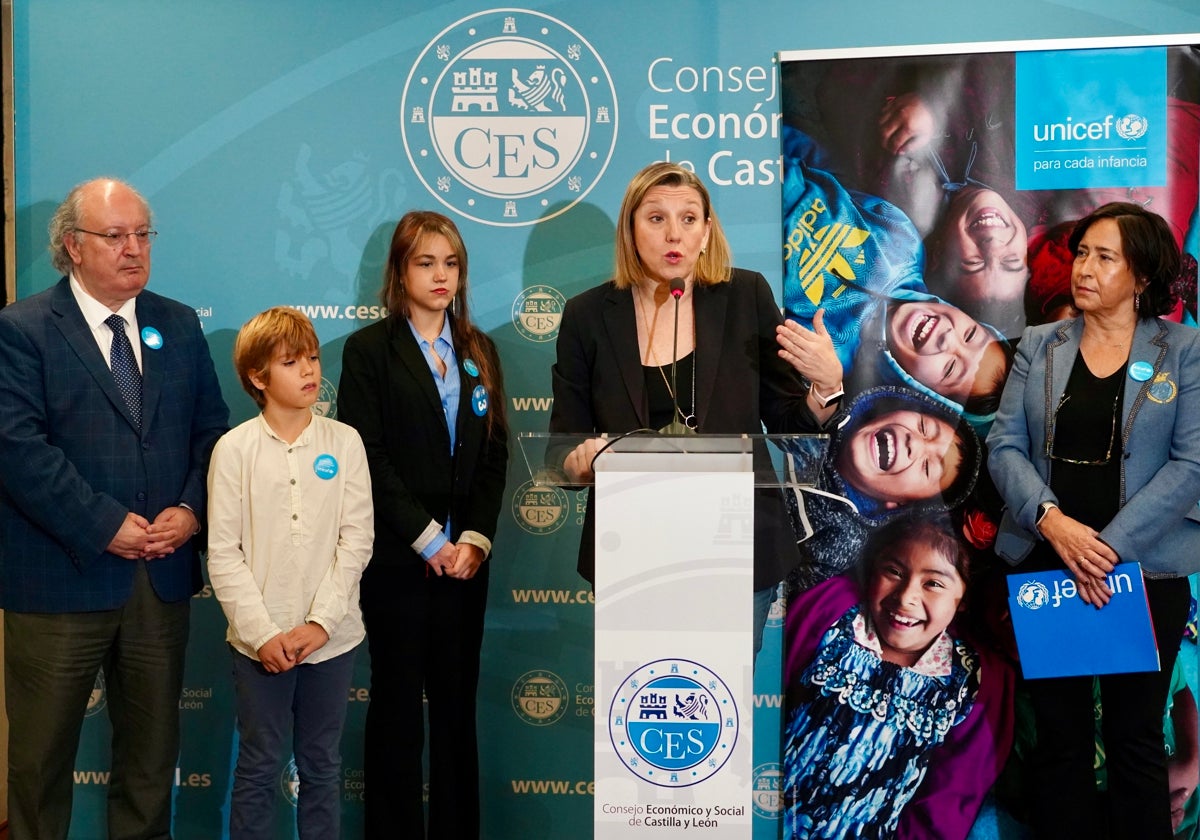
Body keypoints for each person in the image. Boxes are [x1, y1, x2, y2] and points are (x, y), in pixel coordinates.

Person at [0, 177, 229, 839]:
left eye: (142, 235)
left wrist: (190, 508)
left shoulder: (178, 325)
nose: (134, 249)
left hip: (159, 579)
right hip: (57, 579)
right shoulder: (22, 330)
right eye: (115, 236)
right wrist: (104, 525)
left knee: (152, 759)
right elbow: (16, 447)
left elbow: (211, 433)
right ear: (72, 246)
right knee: (40, 762)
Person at [549, 160, 843, 655]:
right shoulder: (587, 316)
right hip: (634, 549)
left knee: (719, 717)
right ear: (631, 229)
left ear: (707, 232)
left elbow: (788, 417)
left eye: (689, 218)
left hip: (738, 545)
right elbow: (564, 442)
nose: (674, 234)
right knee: (641, 710)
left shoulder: (745, 295)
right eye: (656, 218)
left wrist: (826, 387)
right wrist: (579, 464)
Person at [988, 201, 1200, 838]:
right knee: (1060, 739)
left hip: (1144, 571)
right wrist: (1055, 526)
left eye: (1105, 257)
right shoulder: (1038, 346)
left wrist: (1104, 549)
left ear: (1140, 277)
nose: (1084, 267)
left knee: (1137, 740)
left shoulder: (1182, 350)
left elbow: (1191, 465)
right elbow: (1003, 448)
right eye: (1082, 253)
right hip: (1051, 566)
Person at [338, 210, 509, 839]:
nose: (442, 276)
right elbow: (368, 458)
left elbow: (494, 452)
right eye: (426, 263)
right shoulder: (367, 352)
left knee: (457, 710)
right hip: (398, 562)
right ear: (399, 272)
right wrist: (429, 539)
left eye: (452, 263)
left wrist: (473, 539)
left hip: (465, 564)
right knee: (397, 709)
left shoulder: (478, 350)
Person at [207, 307, 373, 839]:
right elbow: (223, 554)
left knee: (322, 766)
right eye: (290, 361)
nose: (309, 371)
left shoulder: (345, 441)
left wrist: (321, 624)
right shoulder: (234, 450)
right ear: (258, 377)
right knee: (258, 765)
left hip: (334, 640)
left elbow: (356, 540)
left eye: (314, 358)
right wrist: (263, 634)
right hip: (260, 644)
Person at [781, 514, 1014, 839]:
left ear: (963, 599)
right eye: (893, 571)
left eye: (933, 583)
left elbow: (948, 803)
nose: (905, 598)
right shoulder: (831, 613)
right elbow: (766, 692)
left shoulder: (975, 683)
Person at [781, 123, 1014, 431]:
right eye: (970, 335)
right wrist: (774, 138)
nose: (948, 338)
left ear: (920, 390)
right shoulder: (903, 242)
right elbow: (829, 174)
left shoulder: (831, 355)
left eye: (949, 368)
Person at [785, 385, 982, 592]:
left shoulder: (841, 540)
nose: (913, 443)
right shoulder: (827, 389)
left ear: (901, 504)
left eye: (927, 468)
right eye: (924, 427)